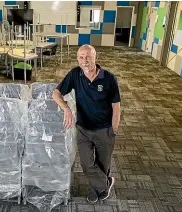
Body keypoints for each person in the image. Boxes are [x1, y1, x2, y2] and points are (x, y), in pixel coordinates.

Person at [52, 44, 121, 203]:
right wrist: (66, 108)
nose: (85, 61)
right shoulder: (75, 74)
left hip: (104, 129)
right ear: (77, 59)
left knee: (103, 163)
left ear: (95, 58)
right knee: (86, 163)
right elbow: (56, 93)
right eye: (81, 57)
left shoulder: (109, 78)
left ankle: (95, 188)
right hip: (83, 128)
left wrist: (114, 129)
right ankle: (106, 183)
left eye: (88, 57)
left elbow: (116, 106)